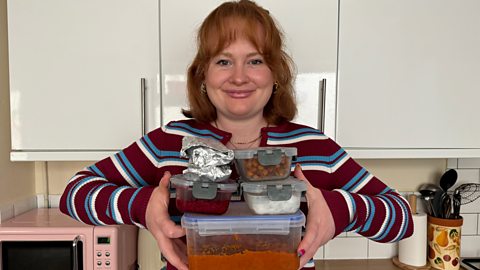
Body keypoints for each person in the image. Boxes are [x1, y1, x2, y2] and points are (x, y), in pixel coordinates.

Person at [59, 1, 414, 269]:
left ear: (276, 74)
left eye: (256, 60)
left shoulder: (313, 147)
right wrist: (144, 207)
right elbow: (75, 193)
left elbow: (401, 218)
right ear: (203, 75)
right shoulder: (168, 143)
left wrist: (340, 209)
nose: (239, 77)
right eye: (223, 61)